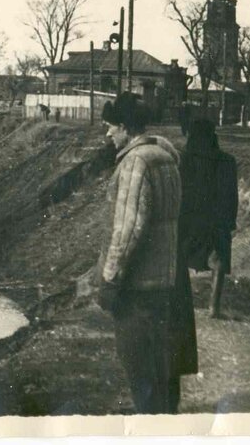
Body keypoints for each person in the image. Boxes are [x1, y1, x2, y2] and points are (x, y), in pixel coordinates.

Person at [89, 91, 196, 414]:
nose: (108, 134)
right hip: (168, 281)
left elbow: (128, 228)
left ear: (126, 127)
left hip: (138, 287)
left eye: (111, 127)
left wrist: (109, 280)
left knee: (142, 375)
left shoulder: (136, 163)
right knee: (164, 373)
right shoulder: (166, 158)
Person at [178, 119, 239, 318]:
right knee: (218, 259)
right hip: (217, 218)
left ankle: (181, 304)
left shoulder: (183, 159)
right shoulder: (227, 161)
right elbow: (231, 194)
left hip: (189, 217)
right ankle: (214, 306)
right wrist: (230, 220)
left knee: (180, 259)